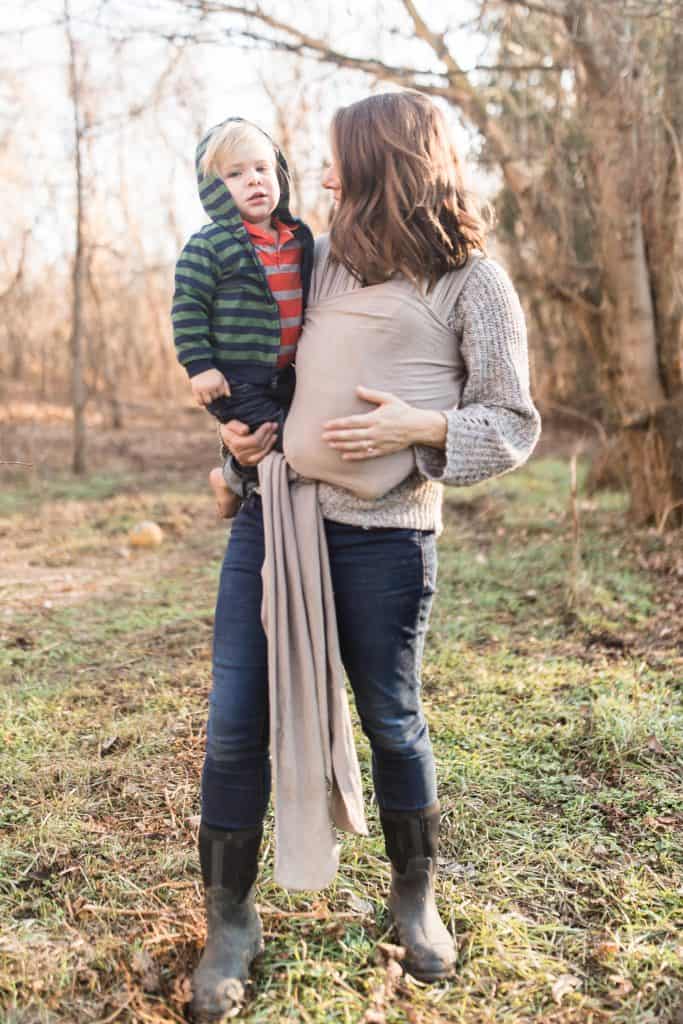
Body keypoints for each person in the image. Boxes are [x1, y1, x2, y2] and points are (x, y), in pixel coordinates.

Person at [189, 90, 541, 1021]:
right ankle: (230, 920)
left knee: (392, 718)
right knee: (232, 721)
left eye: (341, 157)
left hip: (387, 539)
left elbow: (512, 424)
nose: (325, 173)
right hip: (279, 519)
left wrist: (426, 427)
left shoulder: (474, 282)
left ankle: (413, 897)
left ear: (388, 162)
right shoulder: (322, 259)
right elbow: (274, 373)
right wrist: (233, 447)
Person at [171, 117, 314, 518]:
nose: (253, 180)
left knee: (279, 437)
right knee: (286, 438)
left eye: (262, 169)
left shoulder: (298, 238)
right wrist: (199, 367)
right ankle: (232, 482)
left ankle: (238, 481)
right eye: (236, 174)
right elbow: (188, 307)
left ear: (279, 175)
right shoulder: (209, 246)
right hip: (234, 378)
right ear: (215, 190)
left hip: (286, 373)